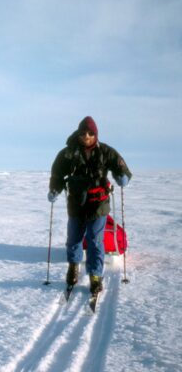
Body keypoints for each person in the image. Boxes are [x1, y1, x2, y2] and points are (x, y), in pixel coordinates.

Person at [48, 116, 132, 295]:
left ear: (96, 134)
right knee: (74, 238)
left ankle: (95, 276)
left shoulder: (106, 151)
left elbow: (121, 167)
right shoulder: (67, 153)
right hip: (76, 202)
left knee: (94, 239)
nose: (86, 136)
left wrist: (122, 177)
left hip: (98, 203)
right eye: (83, 133)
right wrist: (55, 189)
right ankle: (73, 266)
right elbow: (57, 174)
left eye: (90, 133)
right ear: (78, 134)